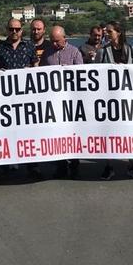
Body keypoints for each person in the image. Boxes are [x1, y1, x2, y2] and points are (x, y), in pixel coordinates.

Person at [95, 21, 133, 181]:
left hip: (128, 97)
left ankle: (132, 164)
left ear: (118, 32)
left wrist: (125, 68)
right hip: (109, 97)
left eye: (109, 31)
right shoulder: (103, 51)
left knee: (130, 131)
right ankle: (108, 166)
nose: (106, 34)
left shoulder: (131, 50)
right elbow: (96, 70)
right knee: (109, 131)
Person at [0, 18, 41, 179]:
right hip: (5, 98)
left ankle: (31, 165)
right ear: (7, 30)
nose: (14, 32)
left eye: (17, 29)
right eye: (11, 29)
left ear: (22, 30)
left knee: (28, 132)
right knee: (7, 131)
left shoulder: (29, 46)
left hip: (26, 98)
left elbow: (36, 68)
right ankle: (6, 163)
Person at [41, 25, 84, 179]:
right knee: (57, 134)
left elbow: (82, 73)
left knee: (72, 134)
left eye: (57, 41)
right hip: (54, 101)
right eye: (52, 41)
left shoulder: (75, 52)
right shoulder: (47, 53)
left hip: (71, 101)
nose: (54, 44)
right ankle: (60, 166)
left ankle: (74, 165)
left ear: (65, 38)